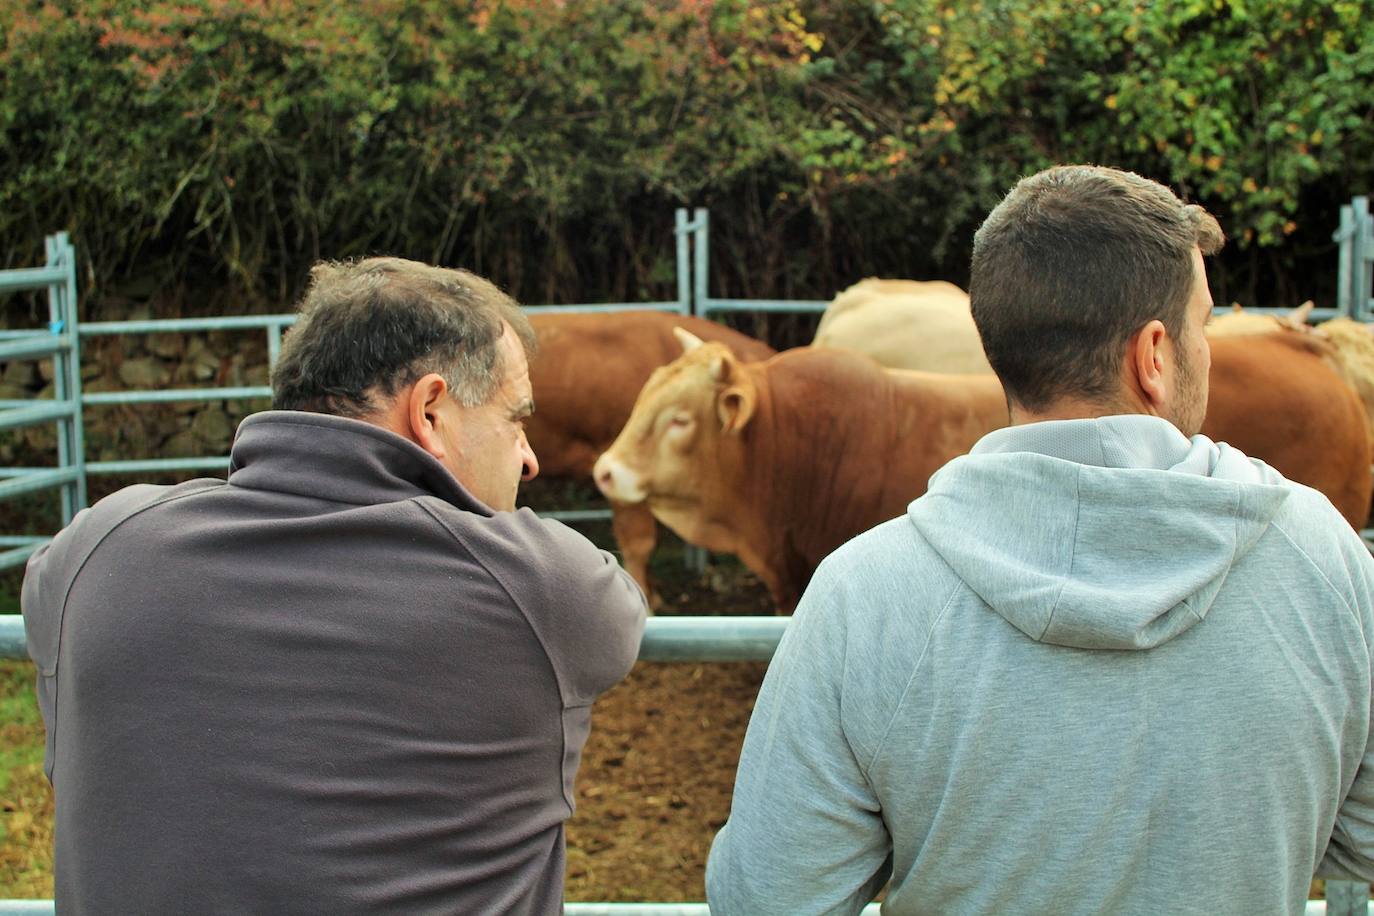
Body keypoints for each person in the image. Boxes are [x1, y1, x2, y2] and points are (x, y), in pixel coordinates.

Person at [705, 165, 1374, 914]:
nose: (1208, 349)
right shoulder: (1323, 558)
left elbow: (770, 895)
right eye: (1205, 324)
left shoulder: (865, 592)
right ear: (1154, 356)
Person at [22, 257, 647, 913]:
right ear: (430, 411)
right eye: (516, 418)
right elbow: (618, 615)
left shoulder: (100, 549)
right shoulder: (540, 585)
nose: (529, 456)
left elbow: (42, 598)